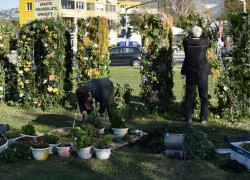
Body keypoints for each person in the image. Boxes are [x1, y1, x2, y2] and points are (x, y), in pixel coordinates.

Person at [181, 25, 211, 124]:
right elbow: (205, 37)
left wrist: (190, 33)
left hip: (190, 72)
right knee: (204, 96)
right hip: (202, 72)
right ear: (200, 34)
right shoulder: (205, 42)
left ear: (191, 33)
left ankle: (188, 117)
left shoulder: (186, 42)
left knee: (189, 96)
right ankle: (203, 118)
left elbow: (186, 38)